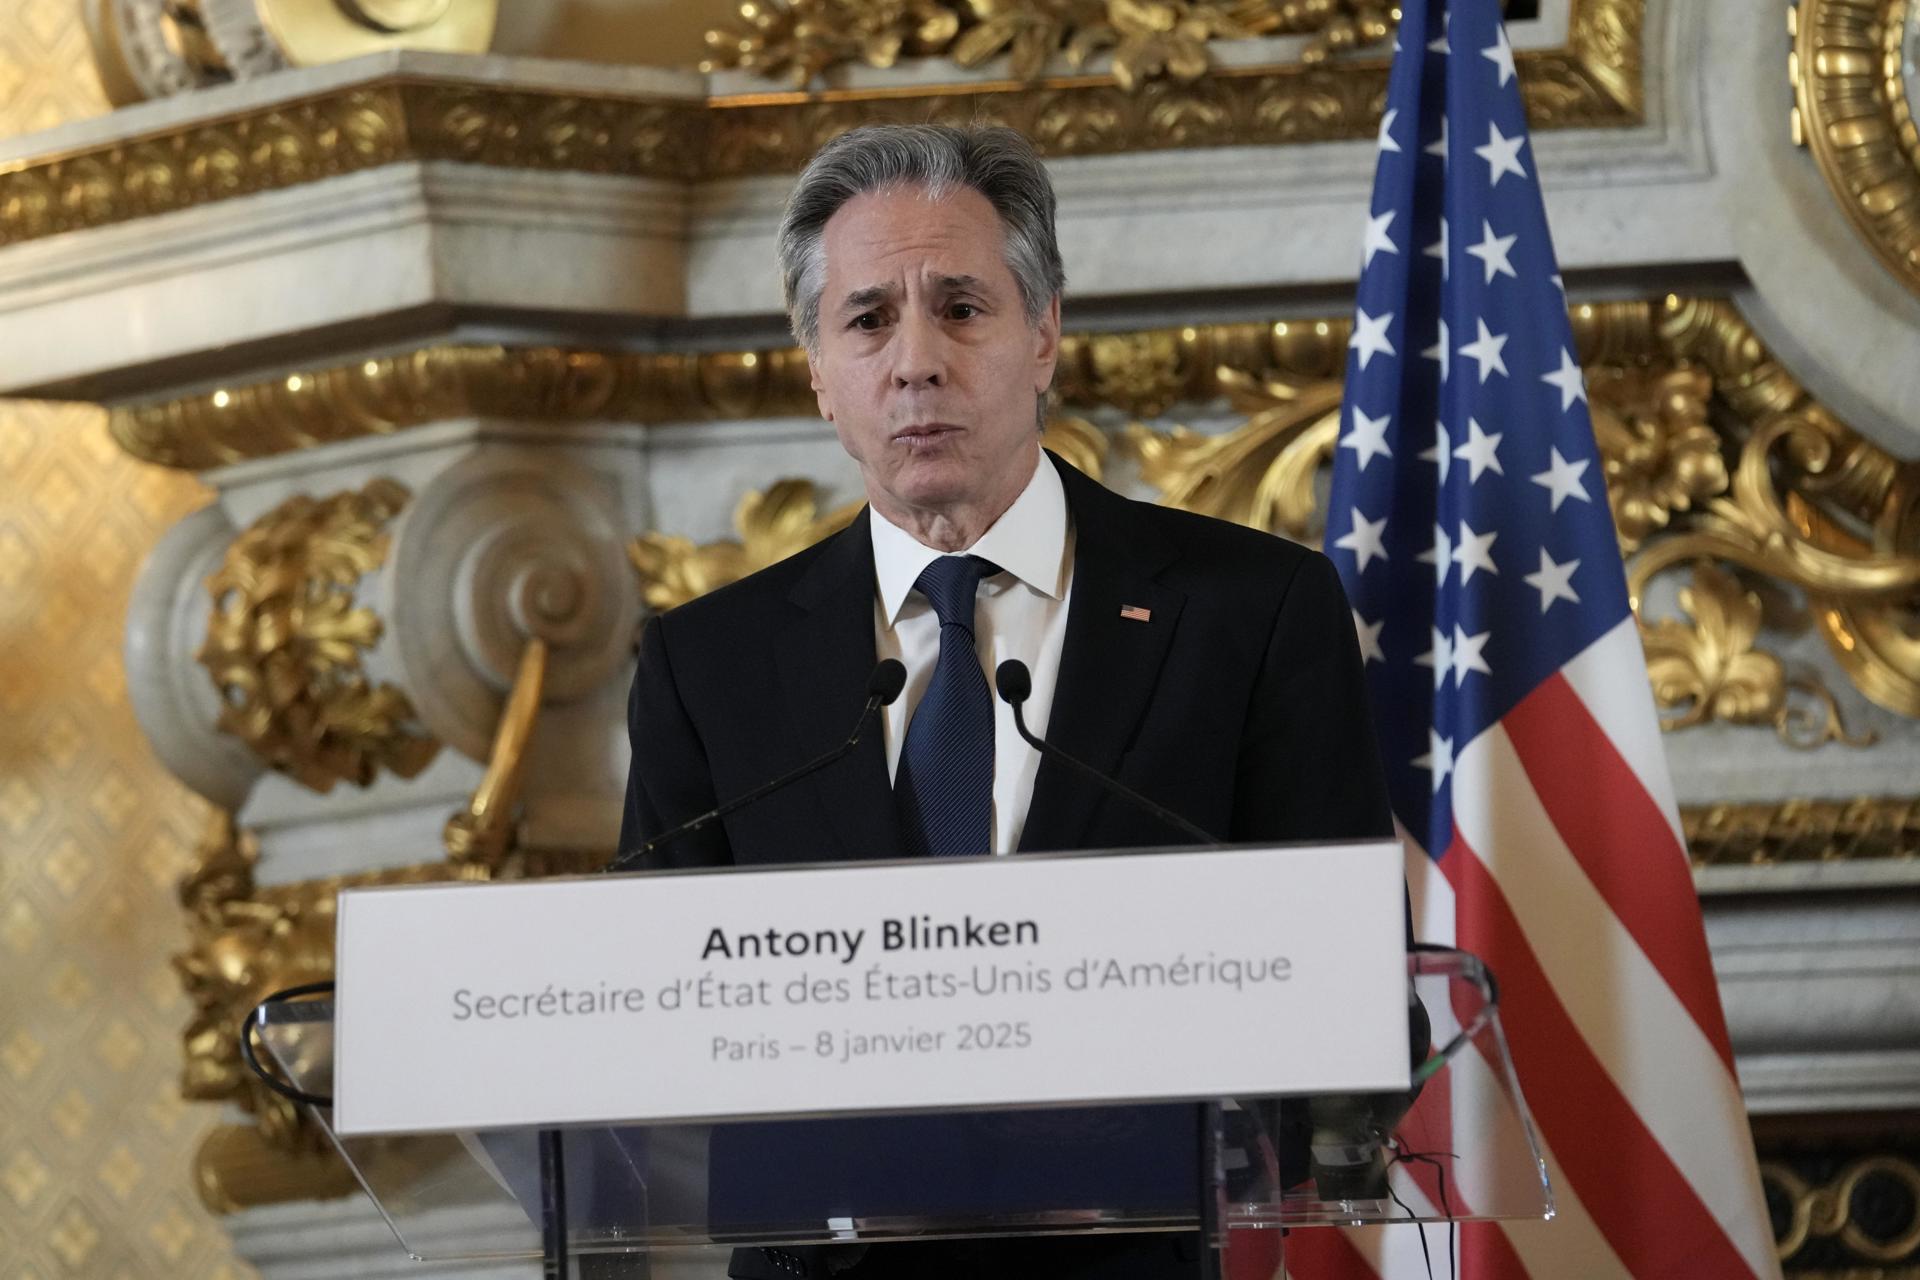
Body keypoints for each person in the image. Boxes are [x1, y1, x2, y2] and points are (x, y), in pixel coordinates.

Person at [618, 123, 1394, 1280]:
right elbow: (650, 1020)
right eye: (869, 318)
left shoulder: (1250, 611)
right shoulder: (709, 663)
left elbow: (1351, 1001)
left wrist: (1148, 1150)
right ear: (819, 372)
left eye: (963, 307)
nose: (916, 359)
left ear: (1044, 334)